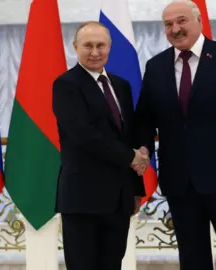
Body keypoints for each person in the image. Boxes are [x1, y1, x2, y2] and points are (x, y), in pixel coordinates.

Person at [133, 1, 216, 269]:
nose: (175, 29)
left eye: (181, 21)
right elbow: (145, 118)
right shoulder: (156, 66)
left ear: (199, 21)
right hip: (179, 181)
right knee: (192, 257)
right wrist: (143, 149)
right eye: (168, 24)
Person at [52, 21, 148, 270]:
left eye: (100, 45)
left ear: (109, 47)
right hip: (83, 198)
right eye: (88, 45)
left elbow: (128, 135)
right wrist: (132, 157)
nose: (95, 52)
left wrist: (135, 186)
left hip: (119, 198)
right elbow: (84, 135)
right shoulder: (66, 85)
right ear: (75, 47)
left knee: (112, 265)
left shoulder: (121, 85)